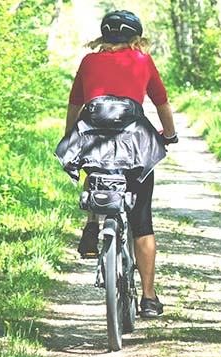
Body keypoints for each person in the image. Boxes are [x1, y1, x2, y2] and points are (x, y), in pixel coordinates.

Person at [64, 10, 178, 318]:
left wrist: (69, 137)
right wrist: (170, 135)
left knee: (95, 165)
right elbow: (161, 103)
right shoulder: (142, 60)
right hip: (134, 146)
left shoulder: (88, 62)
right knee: (142, 221)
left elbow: (76, 105)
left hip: (95, 142)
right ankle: (149, 298)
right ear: (134, 38)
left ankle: (92, 223)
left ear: (104, 37)